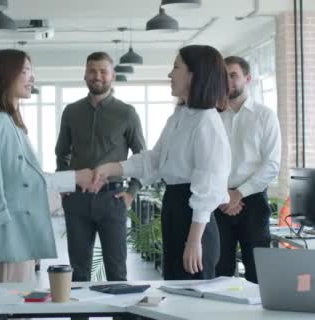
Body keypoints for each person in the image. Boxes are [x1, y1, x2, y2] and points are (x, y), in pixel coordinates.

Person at [94, 45, 231, 280]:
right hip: (175, 207)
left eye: (176, 67)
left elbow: (209, 184)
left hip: (194, 220)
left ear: (194, 75)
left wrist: (194, 240)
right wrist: (110, 168)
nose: (170, 74)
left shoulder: (206, 122)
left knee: (193, 296)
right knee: (176, 291)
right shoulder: (180, 116)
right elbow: (155, 161)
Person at [0, 49, 95, 283]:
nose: (32, 77)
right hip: (10, 232)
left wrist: (76, 177)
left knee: (19, 303)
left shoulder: (10, 121)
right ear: (4, 75)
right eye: (25, 71)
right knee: (10, 303)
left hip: (21, 229)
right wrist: (76, 177)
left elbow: (30, 177)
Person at [55, 51, 146, 282]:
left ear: (112, 75)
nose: (97, 76)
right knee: (78, 272)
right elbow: (61, 153)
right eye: (92, 71)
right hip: (77, 200)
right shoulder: (71, 112)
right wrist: (64, 184)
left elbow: (141, 157)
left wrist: (131, 193)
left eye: (103, 71)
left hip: (113, 198)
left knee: (116, 271)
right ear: (85, 75)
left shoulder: (127, 113)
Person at [214, 56, 281, 283]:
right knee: (218, 271)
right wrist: (224, 195)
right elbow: (205, 161)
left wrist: (238, 193)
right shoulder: (211, 116)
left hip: (252, 201)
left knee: (258, 274)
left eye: (233, 75)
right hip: (217, 202)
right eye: (223, 76)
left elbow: (272, 164)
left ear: (248, 78)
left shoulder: (265, 116)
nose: (227, 81)